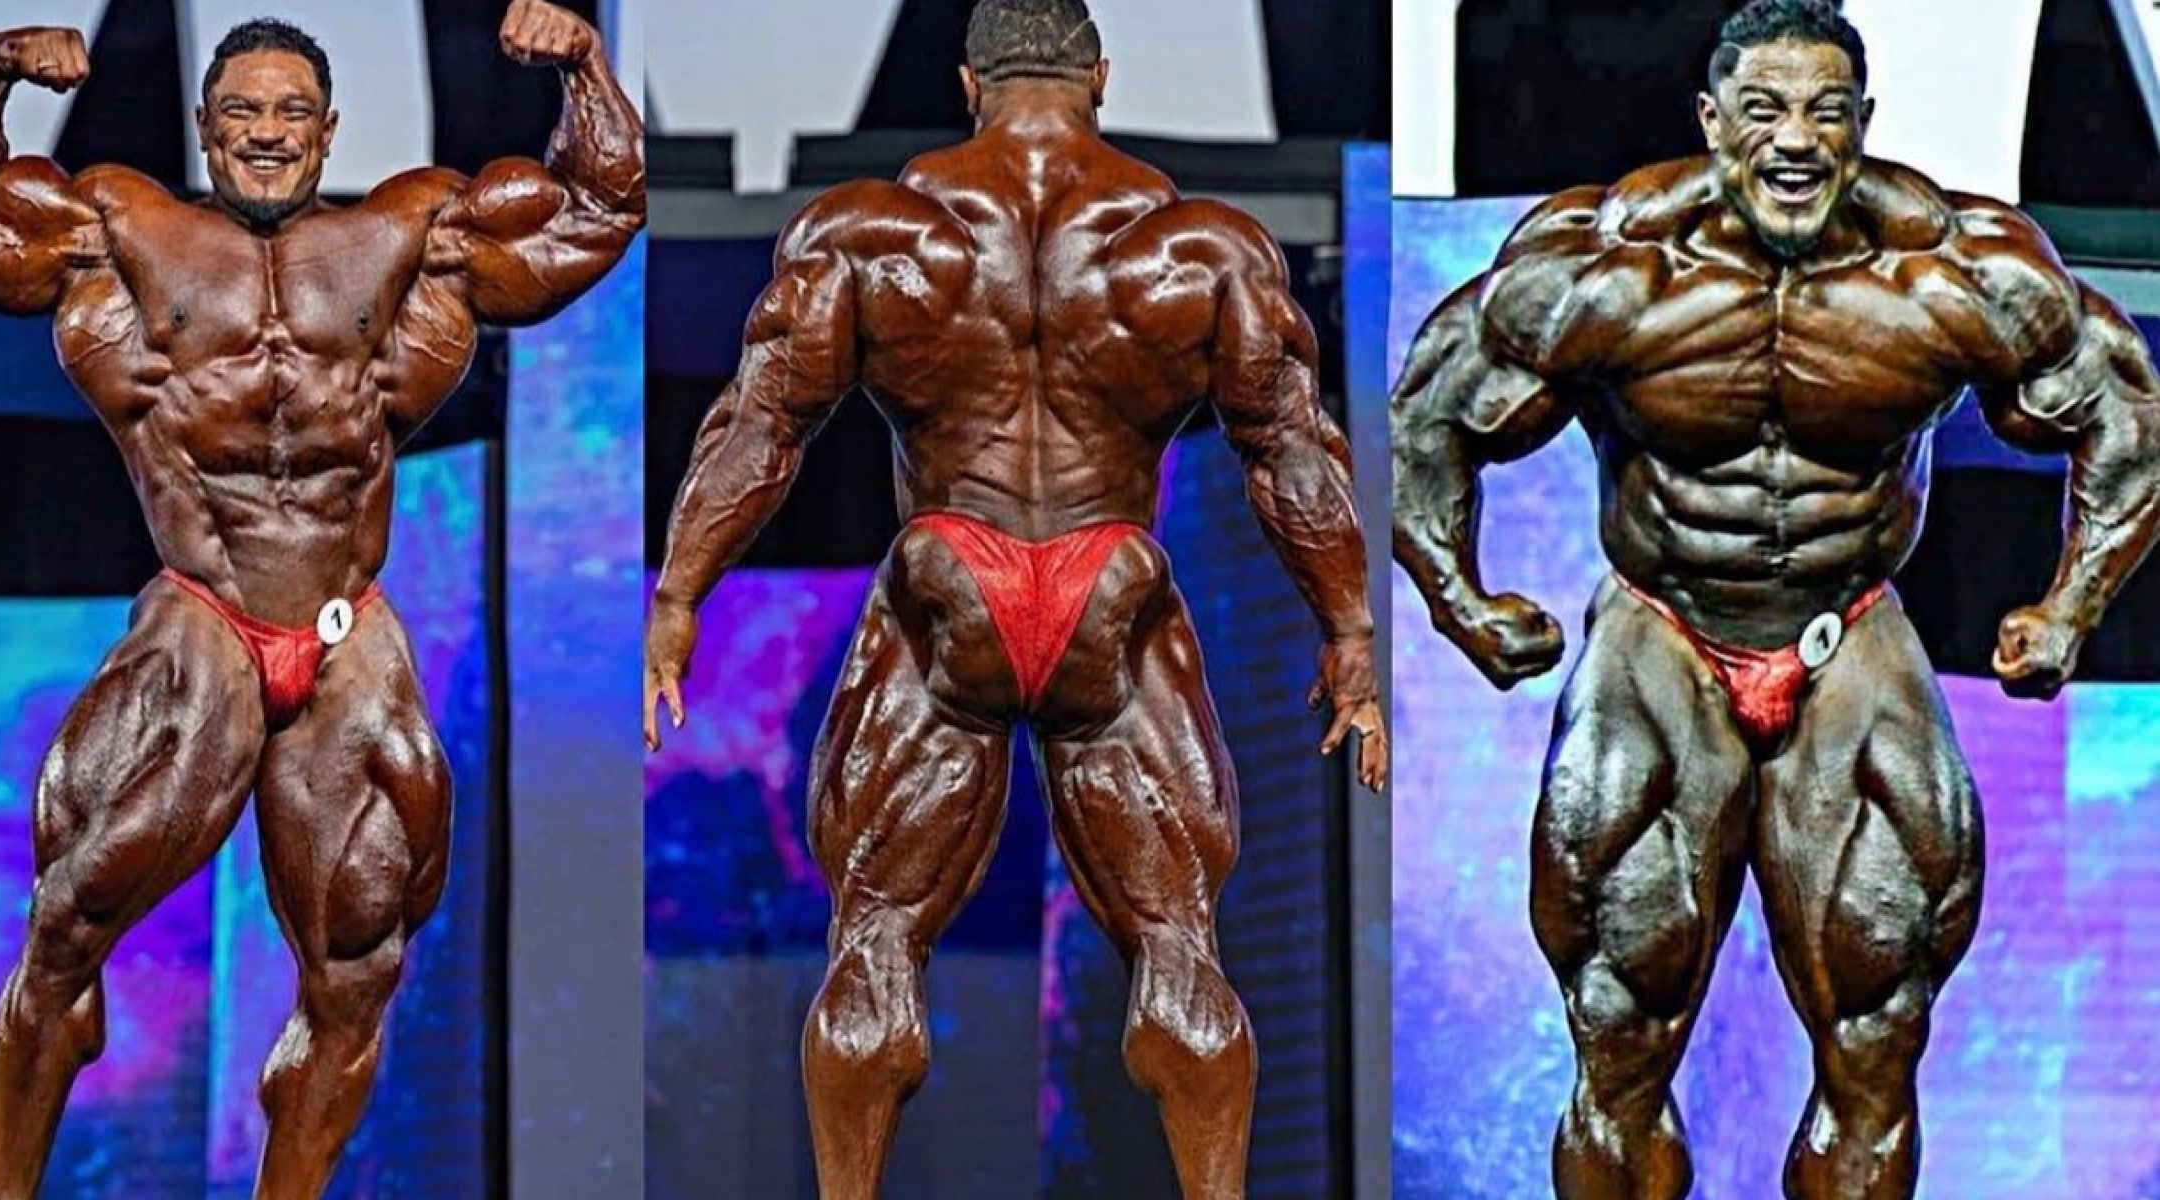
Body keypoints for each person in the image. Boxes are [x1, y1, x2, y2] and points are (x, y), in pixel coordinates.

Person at [1391, 3, 2160, 1198]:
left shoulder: (1950, 271)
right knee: (1621, 1019)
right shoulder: (1608, 267)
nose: (1795, 138)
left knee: (1877, 1026)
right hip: (1661, 633)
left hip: (1845, 629)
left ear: (1863, 123)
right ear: (1711, 121)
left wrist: (2072, 604)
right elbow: (1431, 415)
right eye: (1764, 110)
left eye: (1824, 112)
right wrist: (1456, 596)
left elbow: (2119, 410)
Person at [0, 4, 643, 1196]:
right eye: (242, 110)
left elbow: (597, 210)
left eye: (291, 112)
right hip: (206, 611)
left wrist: (585, 68)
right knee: (71, 916)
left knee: (358, 971)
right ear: (205, 125)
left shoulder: (406, 238)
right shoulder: (122, 232)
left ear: (328, 130)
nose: (265, 131)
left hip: (345, 630)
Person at [642, 1, 1385, 1196]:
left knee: (876, 938)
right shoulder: (1202, 249)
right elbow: (1291, 453)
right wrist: (1346, 629)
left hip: (953, 578)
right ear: (1101, 78)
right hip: (1108, 583)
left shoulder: (872, 234)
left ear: (965, 84)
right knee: (1180, 943)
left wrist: (680, 595)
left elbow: (760, 428)